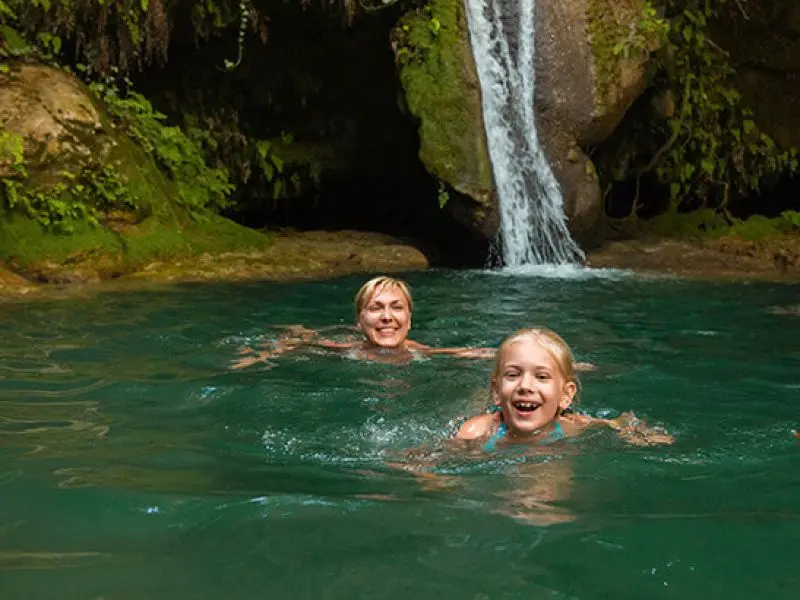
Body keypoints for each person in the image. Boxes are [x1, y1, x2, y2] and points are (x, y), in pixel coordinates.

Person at [456, 327, 674, 448]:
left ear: (565, 395)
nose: (525, 386)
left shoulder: (572, 425)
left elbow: (618, 422)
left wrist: (636, 432)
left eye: (542, 376)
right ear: (496, 392)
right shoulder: (477, 431)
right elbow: (434, 459)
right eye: (513, 375)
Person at [231, 276, 495, 368]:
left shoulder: (418, 352)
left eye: (397, 308)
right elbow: (294, 345)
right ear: (359, 322)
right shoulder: (345, 348)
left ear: (409, 320)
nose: (387, 317)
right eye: (375, 308)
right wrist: (261, 355)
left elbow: (455, 353)